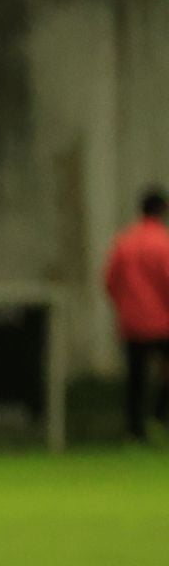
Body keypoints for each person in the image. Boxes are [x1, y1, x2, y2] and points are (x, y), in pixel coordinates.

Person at [102, 186, 169, 441]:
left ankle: (134, 429)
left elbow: (109, 281)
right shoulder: (163, 242)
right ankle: (159, 416)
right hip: (163, 322)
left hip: (132, 323)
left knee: (136, 378)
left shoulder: (125, 241)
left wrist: (126, 305)